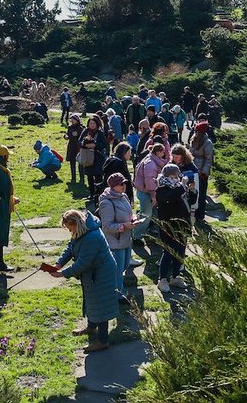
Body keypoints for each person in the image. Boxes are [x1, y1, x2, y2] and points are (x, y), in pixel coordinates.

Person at [51, 210, 118, 353]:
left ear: (77, 223)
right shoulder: (82, 231)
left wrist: (62, 274)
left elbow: (82, 263)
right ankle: (91, 326)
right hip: (92, 272)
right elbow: (71, 248)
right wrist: (59, 263)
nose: (69, 231)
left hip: (101, 273)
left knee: (101, 304)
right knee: (90, 298)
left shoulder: (92, 237)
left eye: (70, 228)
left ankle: (103, 341)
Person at [155, 164, 196, 293]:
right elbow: (169, 198)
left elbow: (190, 201)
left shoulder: (179, 187)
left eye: (177, 175)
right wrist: (182, 187)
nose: (176, 178)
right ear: (167, 176)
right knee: (168, 252)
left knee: (180, 252)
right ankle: (162, 280)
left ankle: (175, 277)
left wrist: (192, 190)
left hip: (182, 224)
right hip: (168, 226)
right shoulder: (162, 188)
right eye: (173, 176)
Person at [99, 173, 138, 306]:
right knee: (117, 270)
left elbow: (128, 213)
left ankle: (116, 289)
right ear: (113, 186)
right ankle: (117, 295)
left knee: (125, 265)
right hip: (115, 242)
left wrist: (133, 220)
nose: (124, 186)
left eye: (125, 183)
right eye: (121, 184)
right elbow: (107, 226)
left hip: (126, 239)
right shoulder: (106, 202)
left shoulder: (124, 196)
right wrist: (124, 226)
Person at [132, 143, 172, 243]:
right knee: (146, 216)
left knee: (153, 214)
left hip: (145, 192)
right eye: (163, 152)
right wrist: (153, 196)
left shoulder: (151, 159)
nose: (164, 154)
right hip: (147, 194)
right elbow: (150, 181)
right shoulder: (151, 164)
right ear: (158, 152)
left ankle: (152, 230)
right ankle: (136, 236)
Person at [189, 121, 214, 221]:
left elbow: (209, 159)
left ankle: (200, 215)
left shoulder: (208, 143)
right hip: (193, 169)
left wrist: (204, 172)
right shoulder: (193, 139)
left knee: (202, 194)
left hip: (202, 173)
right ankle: (193, 213)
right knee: (193, 192)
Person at [80, 117, 108, 200]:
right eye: (90, 123)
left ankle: (98, 194)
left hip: (97, 158)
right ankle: (91, 193)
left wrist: (95, 145)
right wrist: (85, 144)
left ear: (97, 124)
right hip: (88, 157)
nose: (92, 125)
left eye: (93, 123)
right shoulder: (85, 131)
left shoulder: (100, 133)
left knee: (98, 176)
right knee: (89, 176)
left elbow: (104, 144)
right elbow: (80, 141)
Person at [64, 114, 84, 184]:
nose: (72, 121)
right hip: (71, 146)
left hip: (78, 146)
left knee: (80, 163)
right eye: (71, 119)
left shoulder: (80, 128)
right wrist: (66, 136)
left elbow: (80, 136)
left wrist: (74, 135)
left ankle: (82, 179)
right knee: (72, 162)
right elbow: (68, 134)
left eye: (73, 119)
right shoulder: (70, 127)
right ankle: (73, 178)